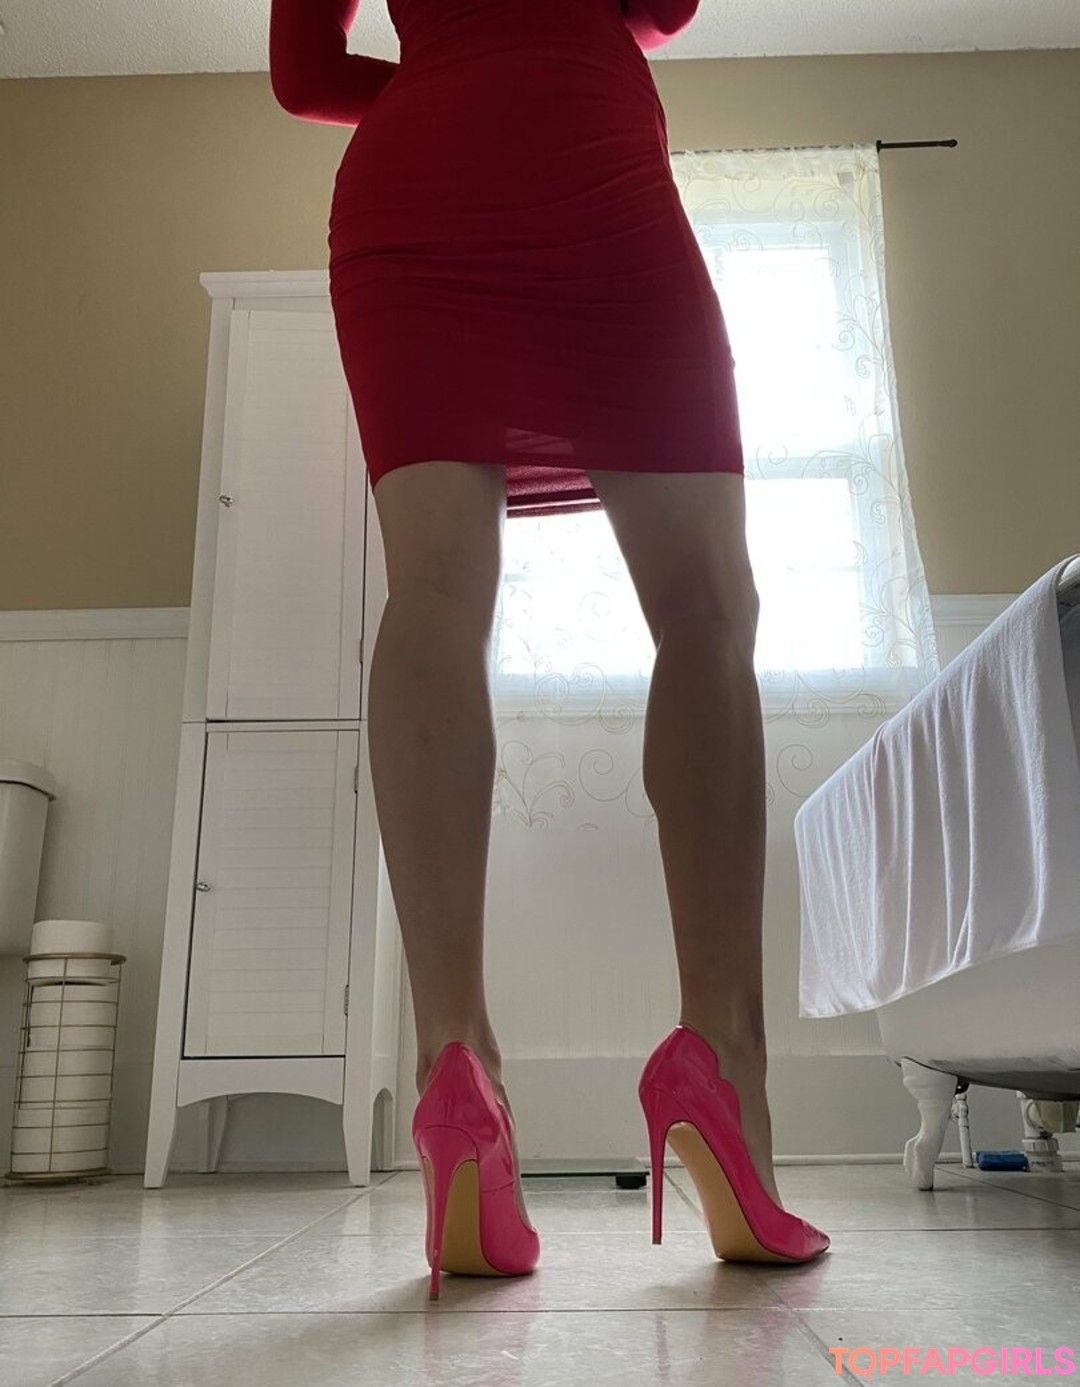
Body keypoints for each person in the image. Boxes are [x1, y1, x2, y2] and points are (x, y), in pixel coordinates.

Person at [269, 0, 829, 1300]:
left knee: (433, 595)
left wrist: (448, 78)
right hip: (591, 164)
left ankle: (455, 1066)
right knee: (705, 610)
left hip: (411, 189)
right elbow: (665, 7)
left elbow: (304, 74)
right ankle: (725, 1065)